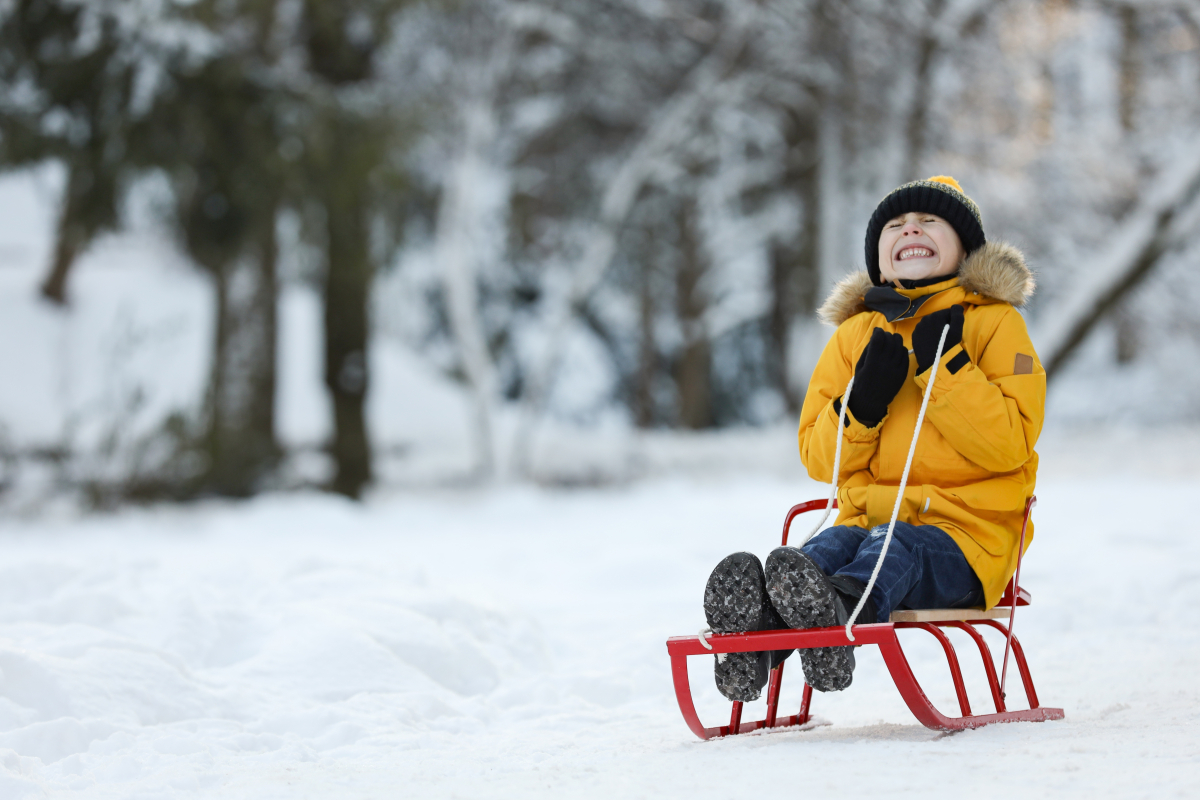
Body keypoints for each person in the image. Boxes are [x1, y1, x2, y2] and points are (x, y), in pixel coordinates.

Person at [703, 176, 1044, 701]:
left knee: (893, 545)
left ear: (966, 248)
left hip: (965, 540)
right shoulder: (855, 336)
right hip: (866, 522)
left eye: (931, 221)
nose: (911, 228)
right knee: (828, 547)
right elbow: (817, 457)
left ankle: (835, 618)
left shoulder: (995, 325)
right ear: (879, 259)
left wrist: (946, 369)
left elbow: (1010, 445)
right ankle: (756, 643)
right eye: (895, 225)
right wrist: (859, 407)